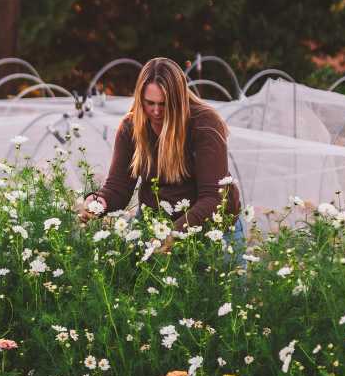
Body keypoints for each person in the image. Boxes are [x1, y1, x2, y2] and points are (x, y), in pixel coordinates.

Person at [75, 57, 243, 254]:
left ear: (179, 100)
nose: (156, 111)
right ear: (140, 99)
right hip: (157, 228)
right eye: (149, 103)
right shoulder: (131, 127)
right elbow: (118, 188)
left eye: (164, 104)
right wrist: (99, 202)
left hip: (212, 233)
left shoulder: (204, 124)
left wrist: (175, 232)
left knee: (211, 285)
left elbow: (213, 198)